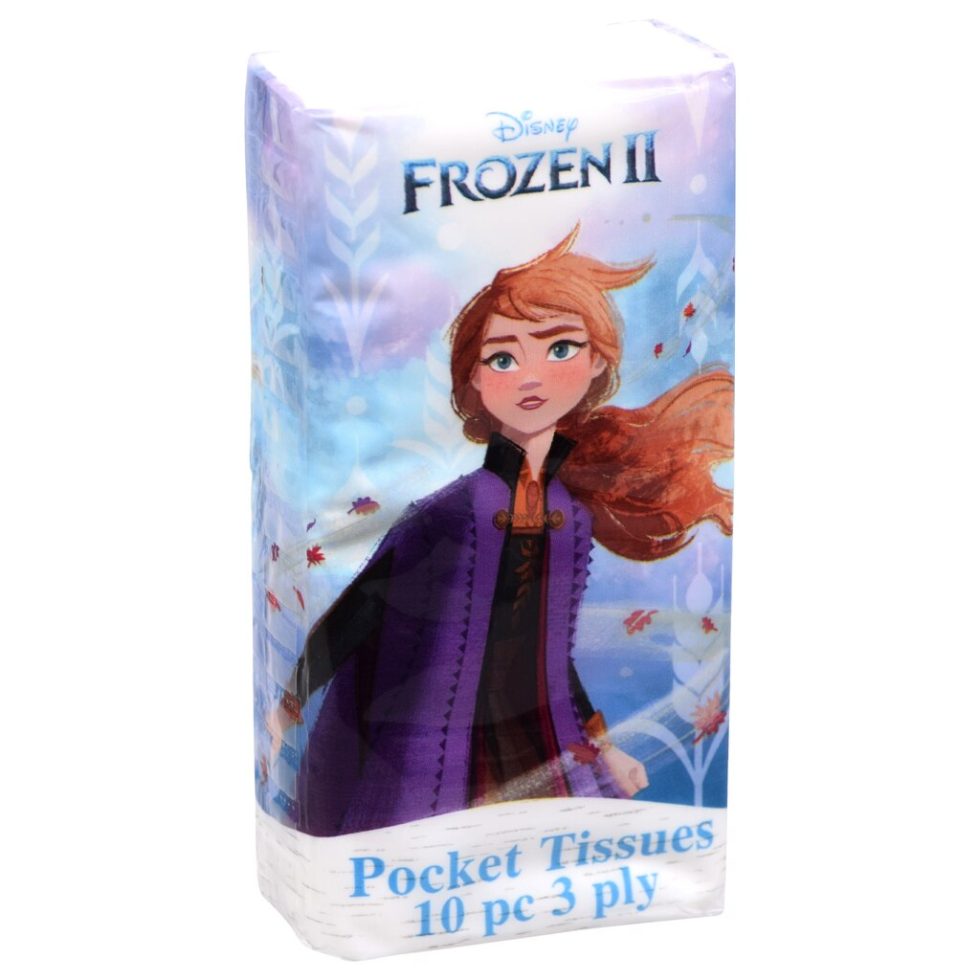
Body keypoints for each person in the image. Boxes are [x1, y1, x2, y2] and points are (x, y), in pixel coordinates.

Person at [266, 224, 733, 837]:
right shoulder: (451, 512)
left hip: (540, 748)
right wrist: (290, 702)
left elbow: (549, 655)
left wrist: (603, 747)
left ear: (597, 361)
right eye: (504, 358)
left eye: (560, 348)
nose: (531, 376)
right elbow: (364, 606)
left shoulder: (569, 516)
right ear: (476, 382)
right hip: (439, 755)